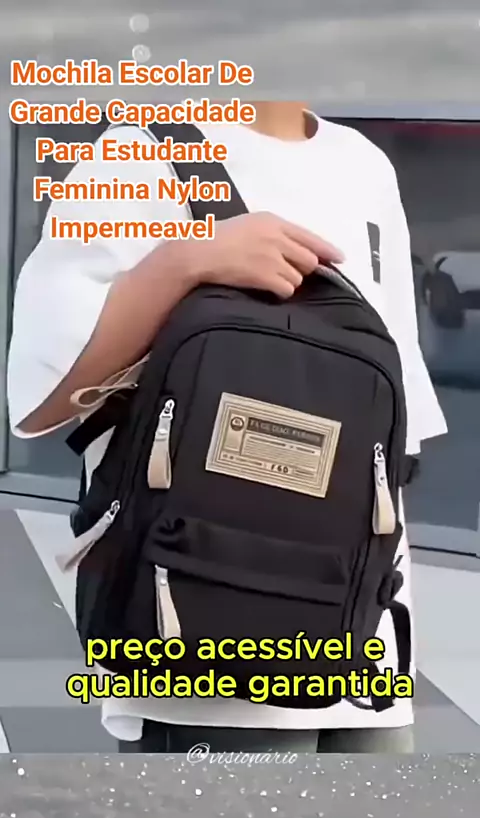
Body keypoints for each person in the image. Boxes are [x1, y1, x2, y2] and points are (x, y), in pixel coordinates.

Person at [7, 101, 447, 753]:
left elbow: (392, 420)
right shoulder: (140, 152)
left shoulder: (365, 164)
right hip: (201, 635)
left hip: (361, 642)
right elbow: (42, 401)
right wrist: (184, 264)